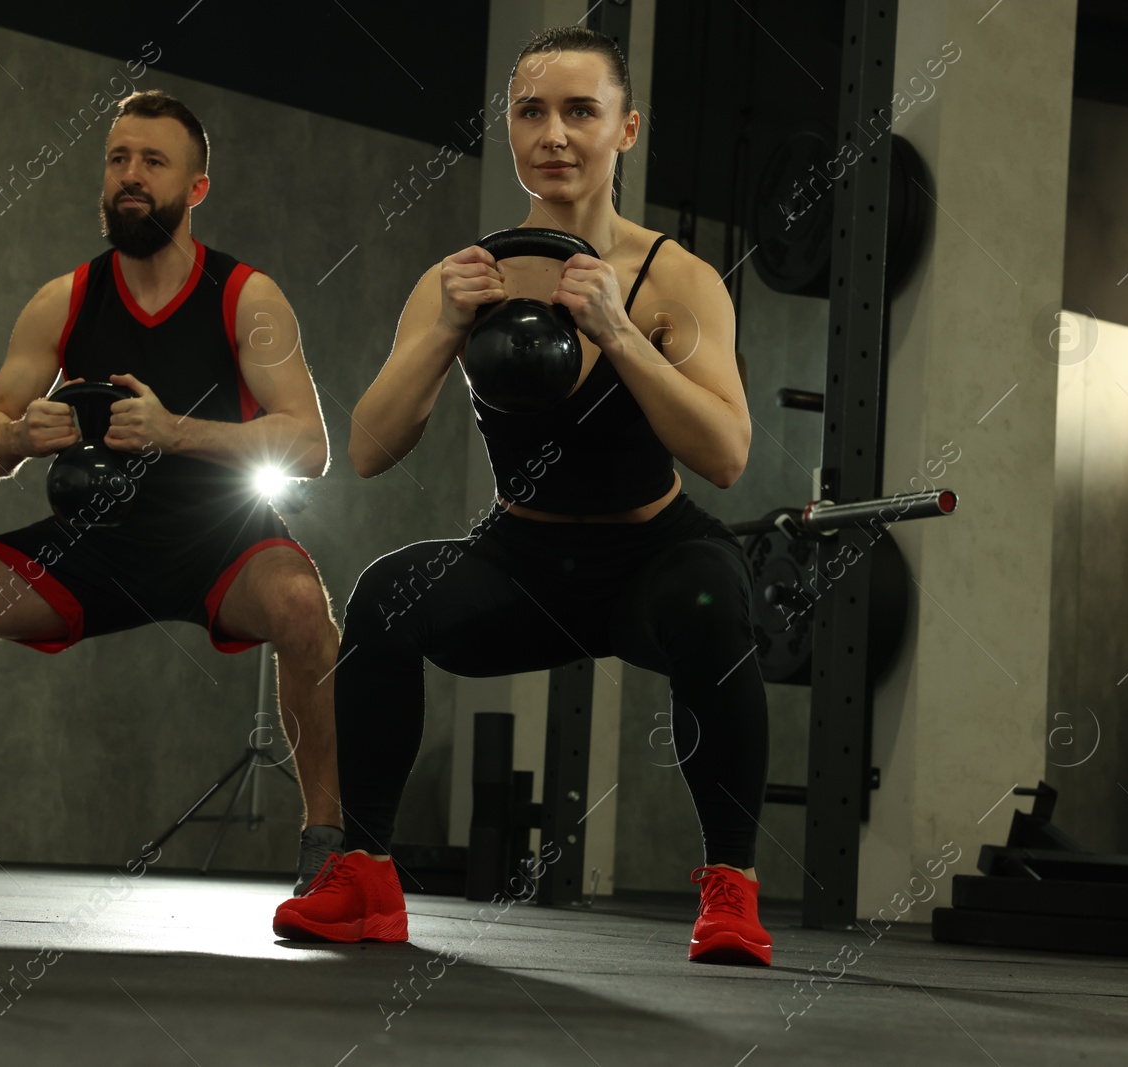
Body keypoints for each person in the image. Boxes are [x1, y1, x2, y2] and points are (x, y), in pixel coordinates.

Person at [272, 27, 773, 966]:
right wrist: (442, 333)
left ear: (626, 129)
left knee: (716, 596)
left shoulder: (678, 279)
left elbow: (728, 455)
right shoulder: (465, 278)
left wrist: (621, 335)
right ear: (507, 127)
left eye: (581, 111)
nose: (554, 133)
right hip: (524, 558)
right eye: (530, 111)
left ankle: (732, 889)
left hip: (651, 554)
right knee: (387, 593)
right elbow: (372, 450)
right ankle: (367, 876)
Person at [0, 90, 346, 897]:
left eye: (153, 162)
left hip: (221, 544)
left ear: (197, 188)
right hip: (92, 547)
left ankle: (326, 843)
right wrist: (22, 435)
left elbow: (309, 446)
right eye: (117, 159)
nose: (130, 177)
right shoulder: (63, 300)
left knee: (305, 610)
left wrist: (177, 433)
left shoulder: (248, 297)